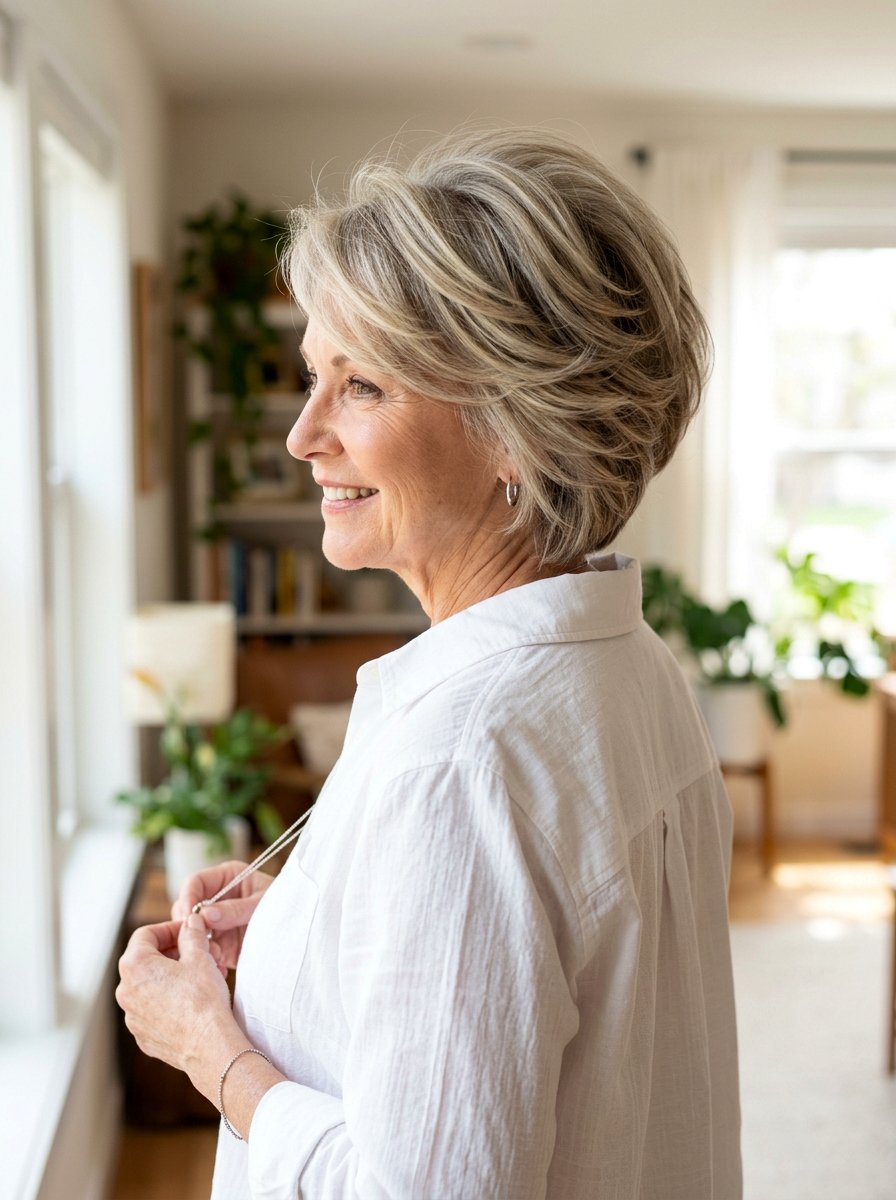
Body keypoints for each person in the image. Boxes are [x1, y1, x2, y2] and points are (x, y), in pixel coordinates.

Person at [117, 127, 742, 1200]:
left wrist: (209, 1052)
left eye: (361, 386)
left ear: (516, 431)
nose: (302, 436)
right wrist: (322, 925)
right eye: (313, 377)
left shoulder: (462, 757)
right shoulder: (627, 666)